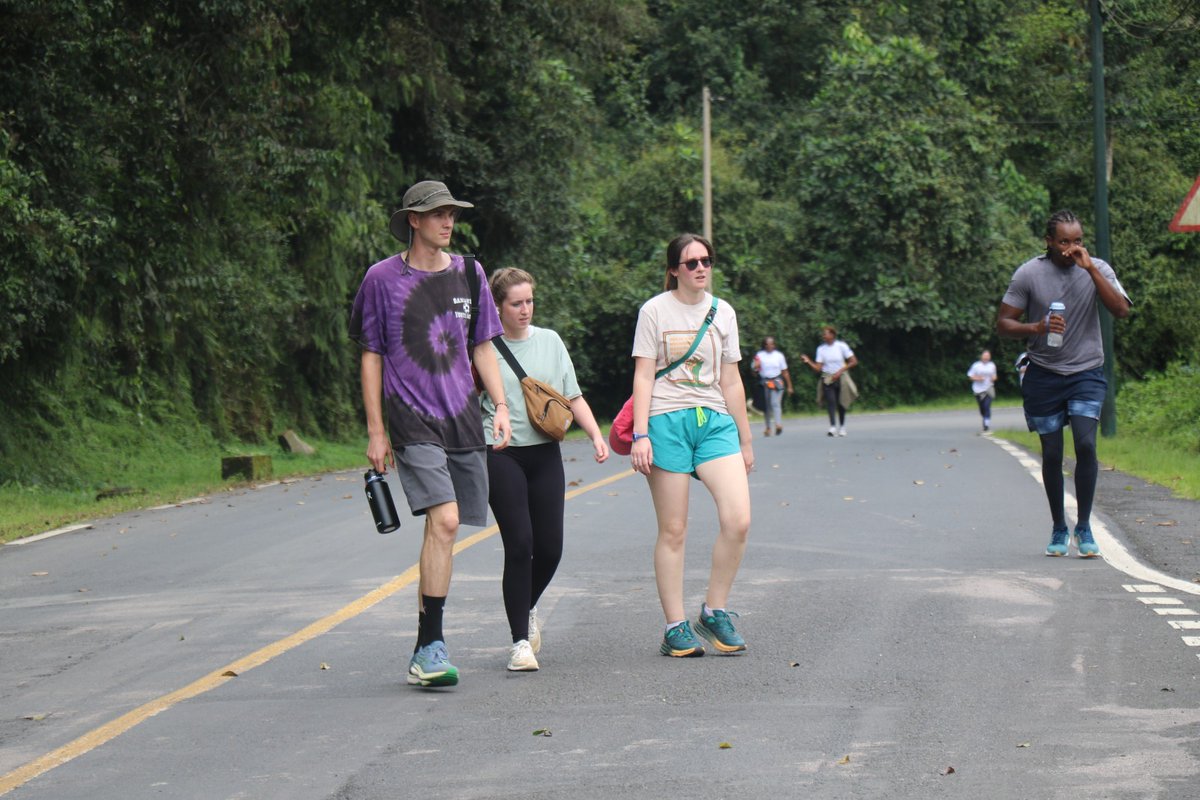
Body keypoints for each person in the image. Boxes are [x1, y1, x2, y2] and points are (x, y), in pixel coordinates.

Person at [350, 180, 512, 688]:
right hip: (410, 418)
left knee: (444, 528)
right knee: (443, 520)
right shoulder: (382, 278)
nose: (448, 222)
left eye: (452, 214)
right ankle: (432, 645)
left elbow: (483, 345)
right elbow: (371, 354)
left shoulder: (470, 273)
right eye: (438, 214)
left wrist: (502, 406)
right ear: (413, 221)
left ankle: (425, 647)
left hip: (462, 416)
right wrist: (377, 431)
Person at [629, 233, 754, 658]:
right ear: (674, 270)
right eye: (691, 262)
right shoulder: (654, 311)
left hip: (715, 422)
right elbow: (644, 376)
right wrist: (641, 435)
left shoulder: (723, 312)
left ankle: (714, 610)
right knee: (674, 529)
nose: (701, 268)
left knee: (738, 520)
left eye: (707, 260)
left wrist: (746, 438)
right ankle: (674, 625)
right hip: (666, 421)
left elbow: (731, 379)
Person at [480, 268, 609, 672]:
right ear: (499, 307)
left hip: (545, 452)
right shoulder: (484, 347)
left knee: (550, 547)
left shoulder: (550, 341)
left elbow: (573, 396)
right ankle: (520, 641)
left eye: (529, 301)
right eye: (516, 303)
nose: (524, 309)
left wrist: (595, 435)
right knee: (520, 543)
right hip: (501, 452)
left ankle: (526, 604)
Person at [997, 209, 1130, 558]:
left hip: (1086, 372)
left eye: (1078, 241)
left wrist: (1091, 269)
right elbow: (1003, 324)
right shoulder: (1029, 273)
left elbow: (1120, 310)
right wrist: (1036, 328)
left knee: (1086, 445)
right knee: (1052, 452)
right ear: (1050, 242)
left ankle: (1084, 526)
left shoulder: (1097, 268)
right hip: (1043, 372)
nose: (1072, 248)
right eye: (1064, 241)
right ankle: (1059, 526)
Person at [799, 326, 859, 437]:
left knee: (842, 402)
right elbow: (818, 368)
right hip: (827, 377)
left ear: (832, 335)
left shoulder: (841, 346)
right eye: (823, 334)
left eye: (826, 334)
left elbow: (853, 361)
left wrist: (840, 370)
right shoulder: (821, 349)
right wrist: (808, 362)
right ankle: (832, 426)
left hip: (841, 376)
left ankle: (842, 427)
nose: (823, 336)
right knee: (831, 401)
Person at [752, 336, 794, 437]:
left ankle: (778, 424)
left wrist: (789, 386)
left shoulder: (779, 356)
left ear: (774, 345)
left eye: (771, 344)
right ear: (764, 345)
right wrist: (755, 367)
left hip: (777, 381)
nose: (769, 346)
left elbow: (785, 372)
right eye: (767, 344)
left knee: (775, 403)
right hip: (765, 382)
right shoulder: (759, 355)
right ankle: (768, 427)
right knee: (767, 406)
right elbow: (754, 372)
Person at [966, 350, 998, 432]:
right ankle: (985, 418)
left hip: (989, 389)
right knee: (982, 408)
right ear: (982, 357)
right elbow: (970, 376)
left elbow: (994, 376)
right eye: (985, 357)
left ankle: (986, 424)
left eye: (988, 357)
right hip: (978, 390)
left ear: (989, 357)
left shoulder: (992, 365)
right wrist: (978, 378)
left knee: (987, 406)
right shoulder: (976, 365)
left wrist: (993, 378)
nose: (986, 358)